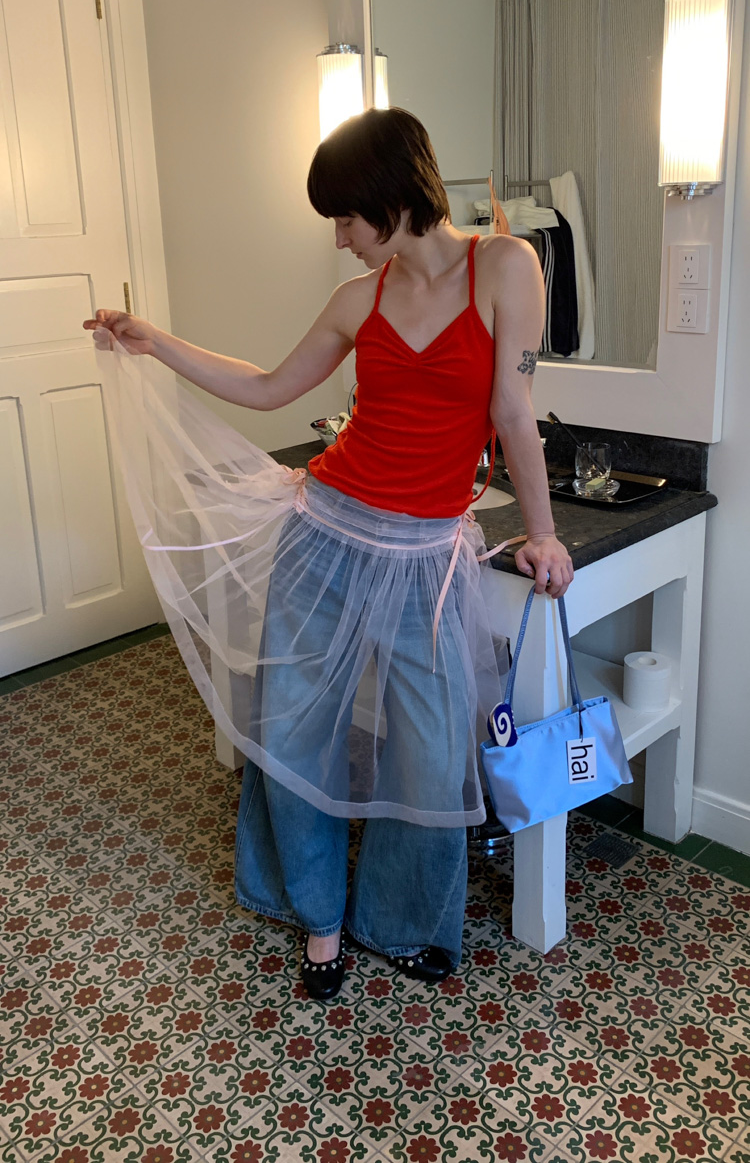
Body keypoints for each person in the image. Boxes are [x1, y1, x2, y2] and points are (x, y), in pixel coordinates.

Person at [84, 107, 573, 1001]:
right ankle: (317, 914)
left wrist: (542, 531)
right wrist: (157, 343)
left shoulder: (508, 267)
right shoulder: (360, 299)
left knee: (432, 751)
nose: (341, 239)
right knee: (293, 730)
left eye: (346, 217)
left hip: (426, 557)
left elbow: (513, 412)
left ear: (390, 196)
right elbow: (269, 385)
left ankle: (400, 916)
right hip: (325, 532)